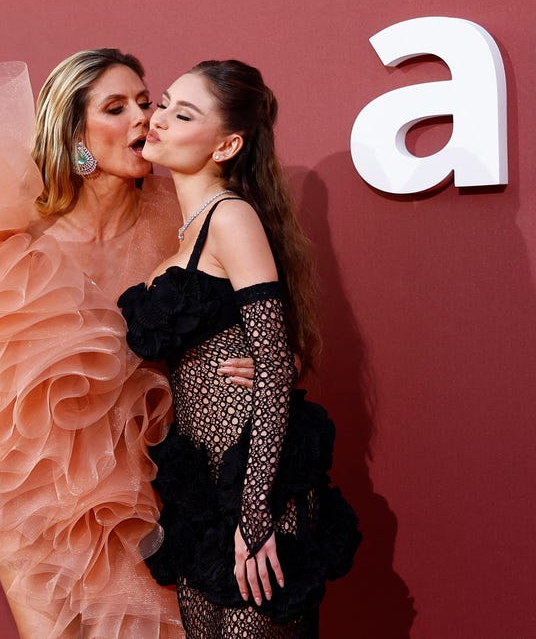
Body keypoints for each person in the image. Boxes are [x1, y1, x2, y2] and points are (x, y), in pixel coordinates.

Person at [0, 49, 254, 638]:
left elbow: (256, 317)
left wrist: (268, 362)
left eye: (146, 102)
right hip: (39, 513)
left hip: (154, 505)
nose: (142, 118)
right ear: (74, 132)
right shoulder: (11, 238)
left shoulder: (183, 218)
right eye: (116, 108)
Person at [118, 60, 360, 637]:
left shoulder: (231, 216)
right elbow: (71, 171)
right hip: (199, 489)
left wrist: (254, 519)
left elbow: (274, 365)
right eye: (163, 104)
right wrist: (78, 152)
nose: (159, 120)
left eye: (184, 114)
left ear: (227, 144)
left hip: (255, 485)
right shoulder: (183, 224)